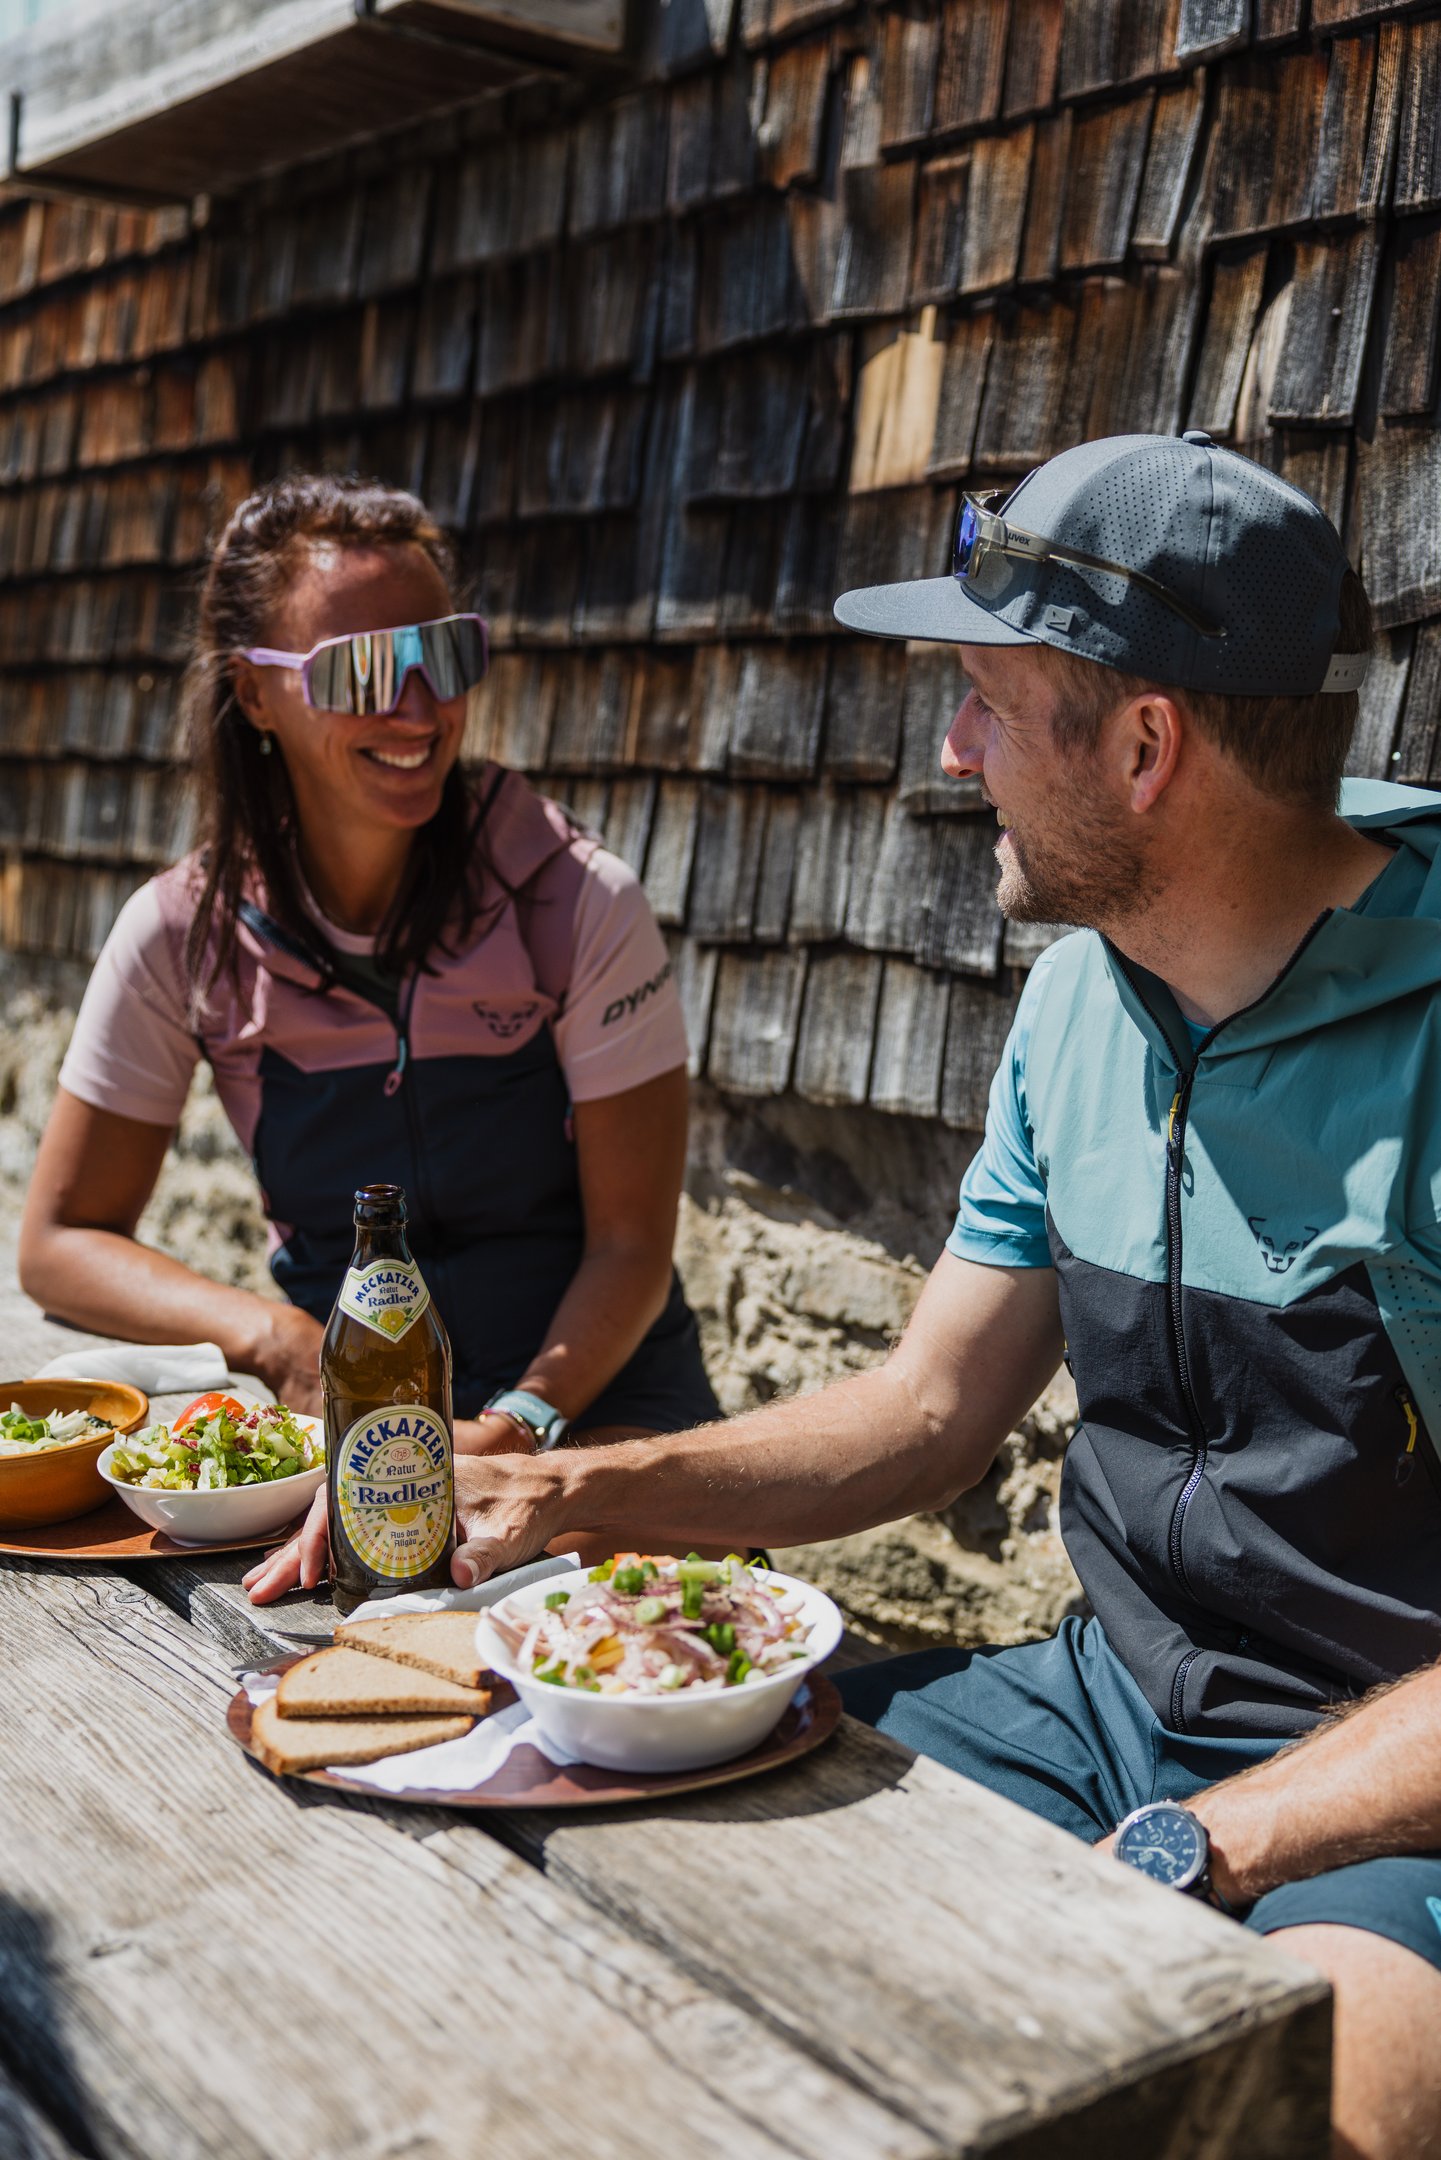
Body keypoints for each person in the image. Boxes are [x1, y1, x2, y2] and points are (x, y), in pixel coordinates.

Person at [414, 433, 1441, 2160]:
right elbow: (927, 1409)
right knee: (608, 1870)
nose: (949, 752)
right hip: (1099, 1708)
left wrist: (1218, 1844)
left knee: (1292, 2116)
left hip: (1391, 1803)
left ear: (1144, 746)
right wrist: (572, 1490)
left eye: (983, 703)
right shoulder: (1077, 1005)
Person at [19, 474, 719, 1595]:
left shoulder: (580, 900)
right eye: (358, 671)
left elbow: (631, 1244)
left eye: (444, 654)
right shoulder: (179, 933)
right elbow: (61, 1240)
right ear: (255, 694)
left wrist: (521, 1424)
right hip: (353, 1426)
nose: (417, 708)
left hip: (592, 1411)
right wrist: (278, 1341)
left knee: (588, 1625)